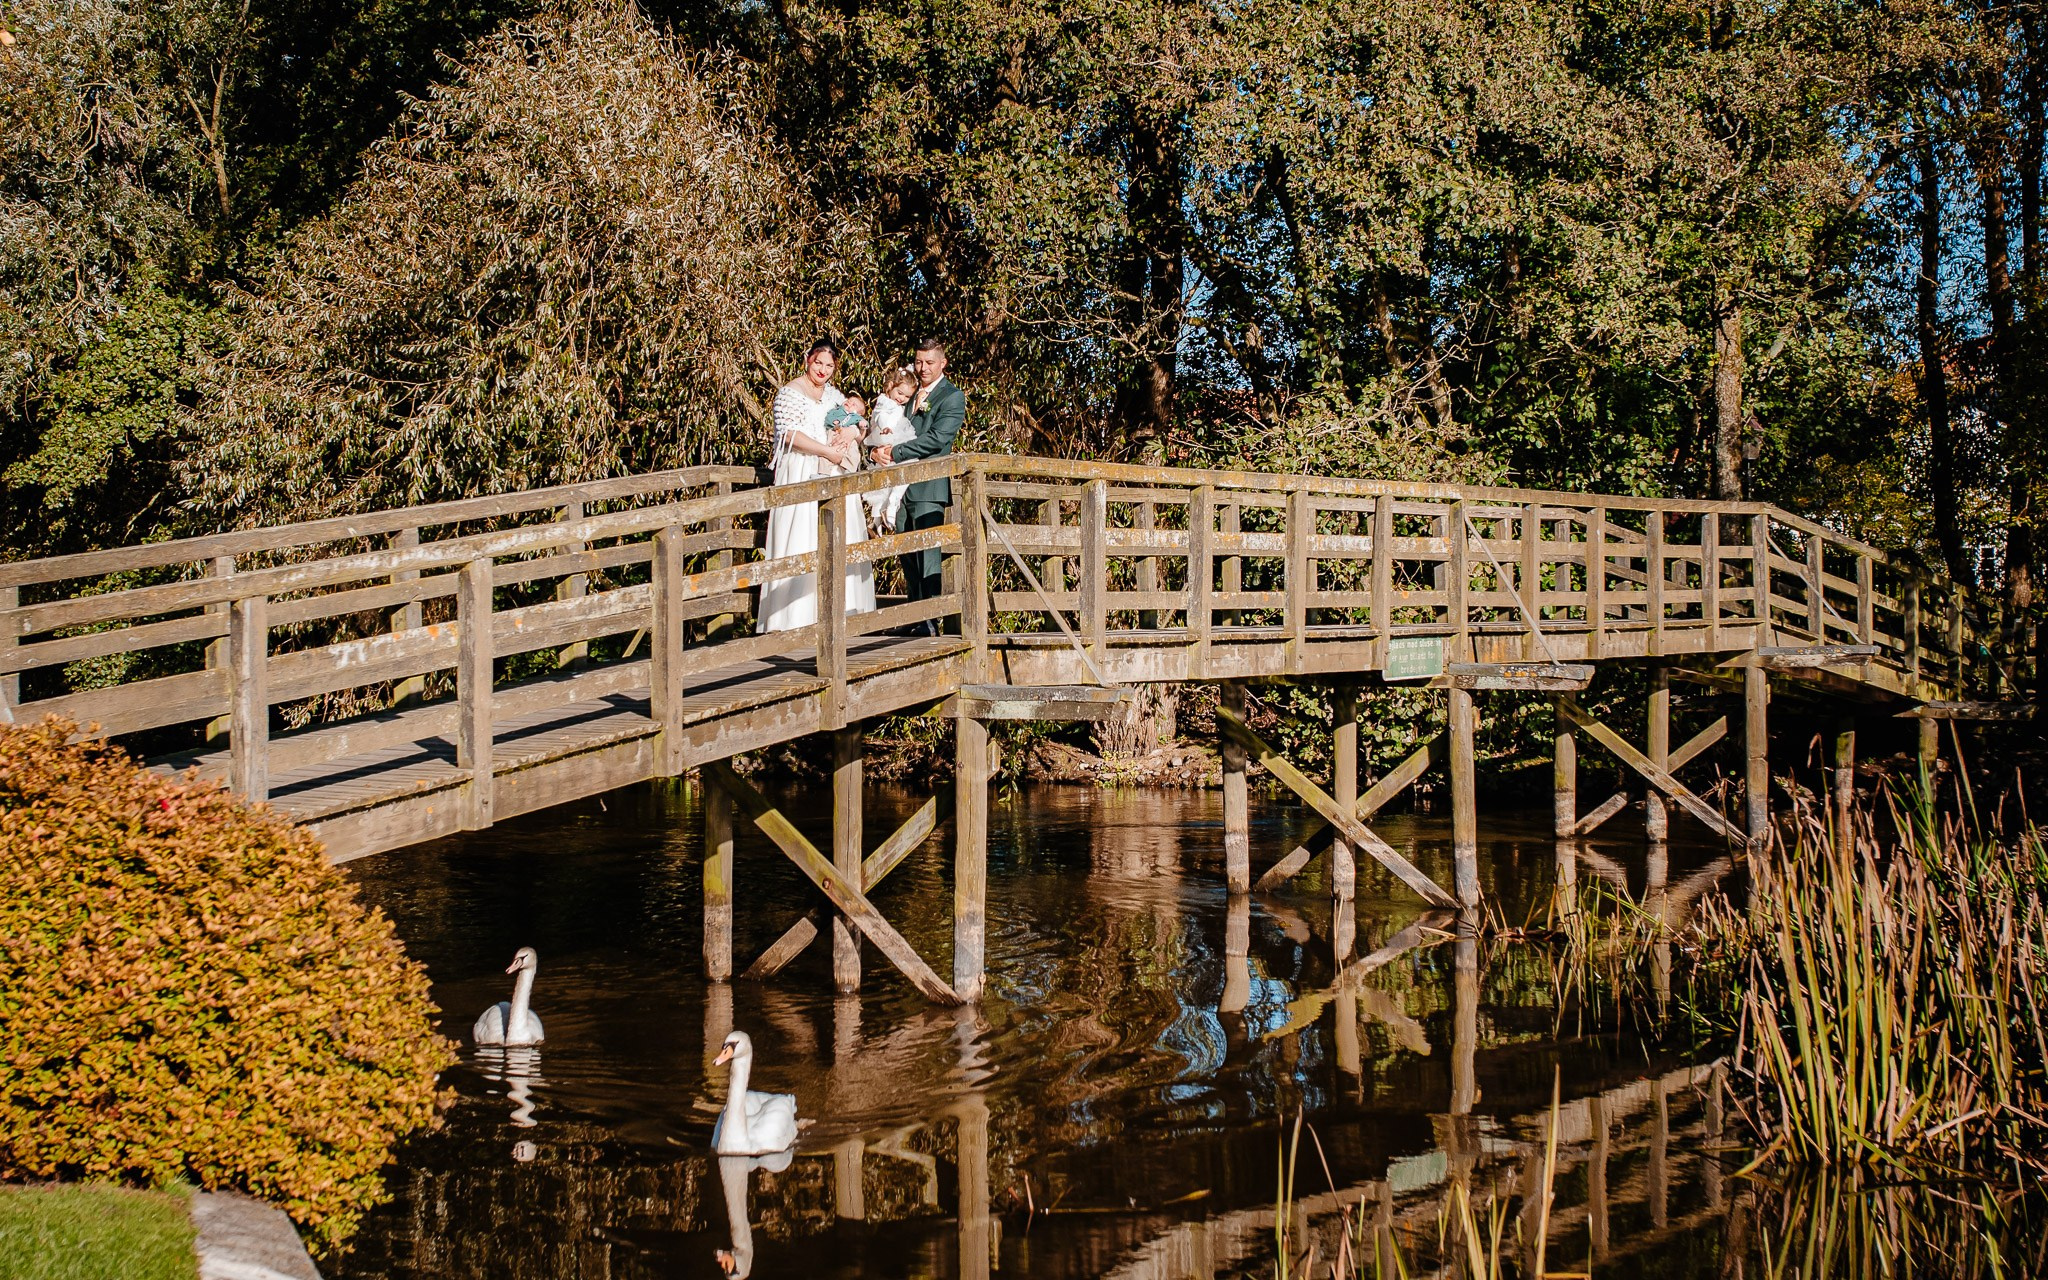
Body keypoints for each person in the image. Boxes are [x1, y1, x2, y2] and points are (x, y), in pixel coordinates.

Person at [757, 339, 876, 632]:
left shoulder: (836, 396)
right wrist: (825, 451)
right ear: (807, 360)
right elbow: (788, 435)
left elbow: (861, 426)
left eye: (829, 365)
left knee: (838, 536)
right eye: (818, 362)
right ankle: (794, 618)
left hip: (832, 472)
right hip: (800, 469)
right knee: (800, 535)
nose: (823, 370)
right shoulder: (789, 393)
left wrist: (849, 435)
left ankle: (839, 613)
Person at [870, 339, 963, 631]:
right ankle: (913, 617)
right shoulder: (907, 392)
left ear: (942, 363)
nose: (923, 368)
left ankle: (930, 619)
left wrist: (896, 452)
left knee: (928, 555)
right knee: (905, 552)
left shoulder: (952, 396)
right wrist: (875, 449)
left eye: (930, 363)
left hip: (928, 486)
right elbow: (886, 422)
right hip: (899, 487)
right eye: (919, 362)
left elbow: (938, 439)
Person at [861, 367, 919, 533]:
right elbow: (880, 415)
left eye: (907, 397)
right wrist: (885, 427)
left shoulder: (895, 403)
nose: (902, 399)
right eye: (900, 393)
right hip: (887, 437)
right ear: (890, 386)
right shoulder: (885, 401)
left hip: (894, 437)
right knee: (906, 467)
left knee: (889, 480)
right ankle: (888, 507)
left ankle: (878, 520)